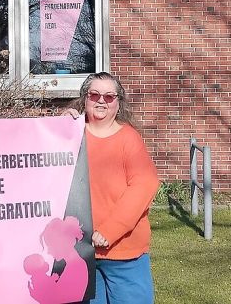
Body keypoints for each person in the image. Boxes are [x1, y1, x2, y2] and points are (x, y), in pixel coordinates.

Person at [66, 72, 159, 304]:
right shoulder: (71, 135)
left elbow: (144, 185)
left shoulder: (129, 139)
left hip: (124, 252)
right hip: (81, 252)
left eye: (109, 96)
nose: (101, 101)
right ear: (84, 99)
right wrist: (60, 125)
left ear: (118, 103)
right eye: (94, 94)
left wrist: (110, 230)